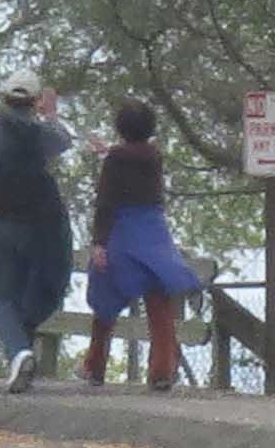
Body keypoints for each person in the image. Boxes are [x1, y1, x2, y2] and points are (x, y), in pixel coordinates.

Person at [81, 101, 203, 389]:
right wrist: (109, 152)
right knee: (159, 300)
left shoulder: (115, 159)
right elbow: (133, 157)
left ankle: (95, 365)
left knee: (106, 296)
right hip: (153, 230)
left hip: (123, 229)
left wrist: (99, 242)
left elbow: (106, 202)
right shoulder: (154, 156)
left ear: (120, 127)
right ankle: (162, 370)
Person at [0, 72, 78, 393]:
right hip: (42, 227)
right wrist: (50, 114)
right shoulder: (43, 134)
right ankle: (21, 346)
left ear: (3, 97)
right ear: (35, 101)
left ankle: (19, 351)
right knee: (47, 290)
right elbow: (65, 139)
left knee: (3, 297)